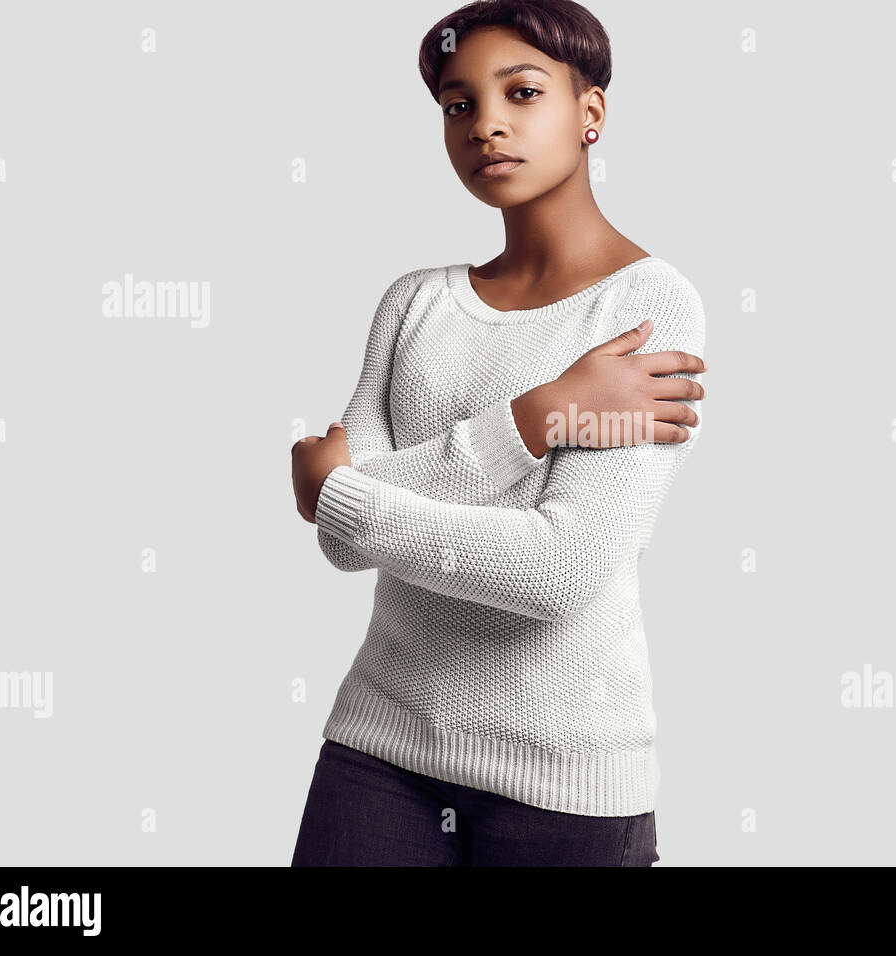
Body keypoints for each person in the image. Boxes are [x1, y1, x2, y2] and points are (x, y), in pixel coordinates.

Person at [288, 0, 707, 866]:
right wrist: (540, 416)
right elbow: (342, 546)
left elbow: (557, 568)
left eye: (522, 92)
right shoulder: (413, 302)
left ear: (591, 112)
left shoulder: (646, 308)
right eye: (458, 104)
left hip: (567, 787)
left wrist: (341, 493)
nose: (487, 126)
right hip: (377, 753)